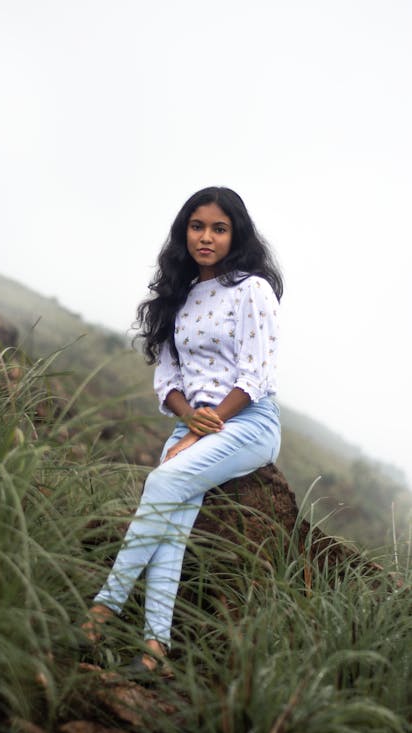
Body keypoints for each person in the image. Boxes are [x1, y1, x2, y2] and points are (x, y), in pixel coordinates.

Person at [82, 186, 283, 675]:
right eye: (197, 227)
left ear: (236, 235)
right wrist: (186, 418)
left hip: (247, 422)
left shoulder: (251, 289)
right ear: (184, 232)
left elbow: (254, 376)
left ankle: (100, 612)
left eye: (219, 228)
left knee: (163, 482)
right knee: (170, 527)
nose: (206, 237)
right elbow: (167, 380)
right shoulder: (179, 295)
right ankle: (155, 650)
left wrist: (201, 430)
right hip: (192, 423)